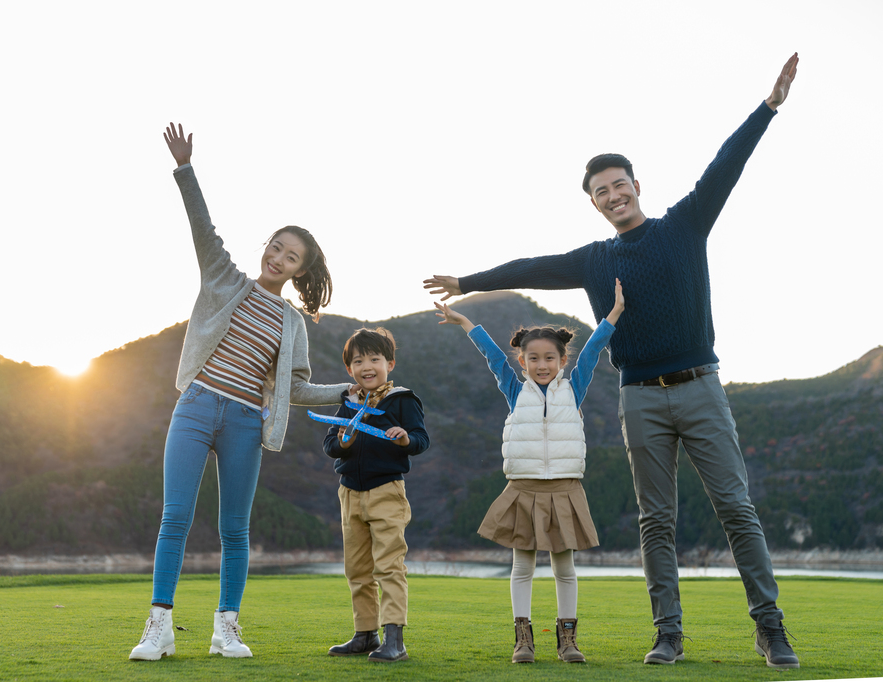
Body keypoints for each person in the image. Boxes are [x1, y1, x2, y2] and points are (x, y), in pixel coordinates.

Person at [423, 54, 801, 669]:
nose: (612, 195)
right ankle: (668, 635)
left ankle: (770, 627)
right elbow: (529, 267)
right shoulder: (594, 260)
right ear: (595, 204)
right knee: (657, 519)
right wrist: (468, 280)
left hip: (700, 385)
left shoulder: (683, 226)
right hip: (640, 396)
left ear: (636, 186)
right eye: (601, 192)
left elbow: (724, 168)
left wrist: (768, 107)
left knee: (736, 508)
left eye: (619, 185)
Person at [129, 123, 352, 661]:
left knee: (235, 529)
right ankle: (157, 627)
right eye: (276, 248)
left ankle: (226, 627)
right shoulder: (224, 278)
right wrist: (185, 169)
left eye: (290, 257)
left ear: (301, 271)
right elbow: (202, 228)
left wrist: (349, 390)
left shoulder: (292, 324)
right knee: (175, 517)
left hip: (248, 422)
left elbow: (295, 388)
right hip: (198, 404)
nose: (277, 259)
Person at [434, 279, 624, 664]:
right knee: (522, 564)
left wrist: (616, 311)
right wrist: (467, 322)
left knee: (564, 566)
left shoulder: (575, 387)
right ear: (522, 362)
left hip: (565, 488)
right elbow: (492, 357)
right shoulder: (514, 389)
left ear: (561, 361)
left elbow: (593, 349)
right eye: (533, 358)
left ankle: (567, 639)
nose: (542, 364)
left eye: (549, 358)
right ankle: (523, 639)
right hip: (523, 487)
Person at [322, 327, 430, 663]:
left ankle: (394, 638)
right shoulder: (348, 403)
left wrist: (403, 439)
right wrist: (345, 441)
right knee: (356, 568)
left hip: (386, 491)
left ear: (390, 363)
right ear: (349, 370)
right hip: (349, 494)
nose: (367, 365)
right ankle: (365, 634)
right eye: (358, 360)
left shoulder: (403, 399)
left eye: (374, 358)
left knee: (388, 565)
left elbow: (420, 440)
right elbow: (330, 446)